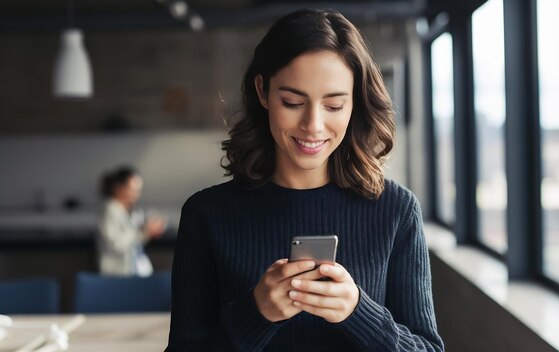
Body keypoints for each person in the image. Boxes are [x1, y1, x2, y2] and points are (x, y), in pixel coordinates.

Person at [166, 8, 443, 351]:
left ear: (354, 103)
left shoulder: (396, 211)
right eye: (293, 101)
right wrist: (257, 314)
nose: (313, 125)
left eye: (334, 105)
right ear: (263, 92)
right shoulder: (205, 215)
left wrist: (358, 312)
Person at [97, 166, 166, 277]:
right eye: (132, 190)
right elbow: (116, 245)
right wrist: (144, 232)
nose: (136, 194)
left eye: (138, 190)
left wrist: (151, 228)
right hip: (117, 275)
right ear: (118, 188)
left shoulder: (130, 211)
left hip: (134, 272)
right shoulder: (110, 210)